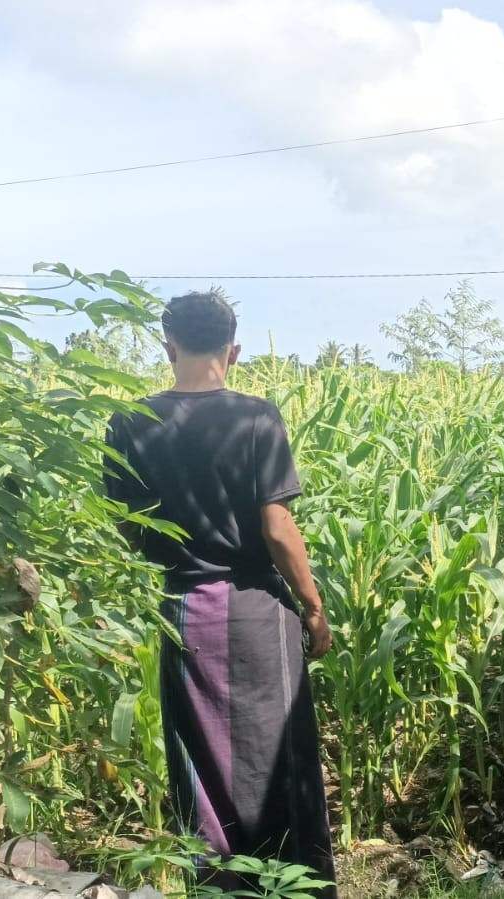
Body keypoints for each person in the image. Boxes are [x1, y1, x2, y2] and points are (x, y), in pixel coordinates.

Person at [102, 290, 337, 896]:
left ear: (168, 347)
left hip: (183, 612)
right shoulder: (256, 417)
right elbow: (277, 527)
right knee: (279, 760)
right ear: (233, 351)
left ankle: (220, 890)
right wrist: (313, 608)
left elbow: (127, 527)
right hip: (258, 612)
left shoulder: (129, 422)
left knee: (200, 770)